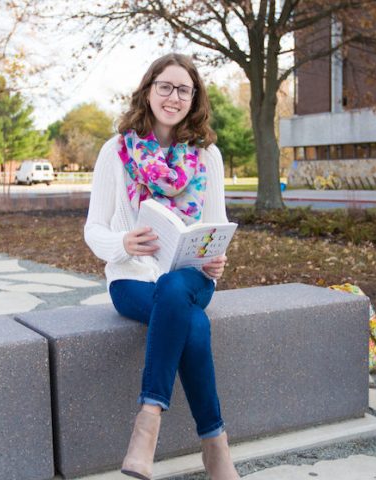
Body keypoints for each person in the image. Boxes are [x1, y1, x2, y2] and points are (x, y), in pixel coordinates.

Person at [84, 53, 240, 480]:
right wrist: (123, 242)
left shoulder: (207, 156)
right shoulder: (115, 152)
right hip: (132, 278)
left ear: (195, 98)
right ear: (148, 90)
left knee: (177, 287)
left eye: (183, 89)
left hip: (194, 277)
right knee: (193, 324)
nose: (174, 97)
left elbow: (215, 225)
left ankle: (146, 426)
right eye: (165, 87)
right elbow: (93, 229)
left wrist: (216, 256)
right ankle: (216, 447)